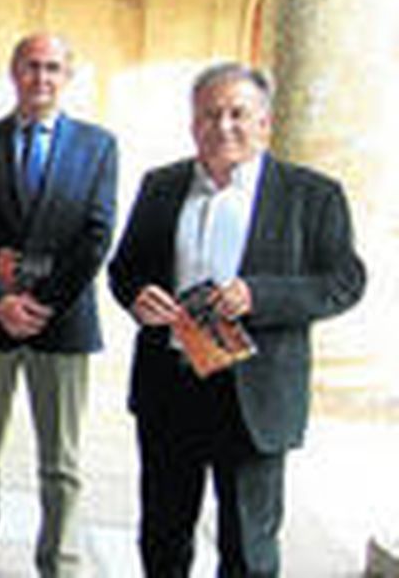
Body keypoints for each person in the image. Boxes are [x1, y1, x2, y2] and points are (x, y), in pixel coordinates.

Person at [108, 62, 365, 577]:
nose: (222, 125)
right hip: (172, 387)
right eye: (209, 114)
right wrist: (139, 297)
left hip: (255, 395)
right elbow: (125, 269)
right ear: (192, 123)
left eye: (237, 114)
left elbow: (344, 282)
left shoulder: (310, 195)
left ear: (265, 123)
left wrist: (260, 296)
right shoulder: (162, 185)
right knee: (163, 534)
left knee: (248, 547)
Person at [0, 33, 118, 578]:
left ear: (68, 75)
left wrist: (41, 302)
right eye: (32, 67)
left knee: (60, 460)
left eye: (53, 68)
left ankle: (60, 562)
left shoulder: (97, 145)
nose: (41, 78)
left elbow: (97, 234)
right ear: (13, 73)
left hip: (61, 322)